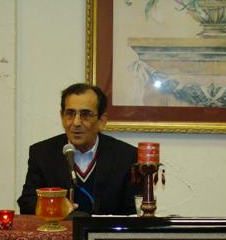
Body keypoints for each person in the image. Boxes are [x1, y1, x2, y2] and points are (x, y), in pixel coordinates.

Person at [17, 83, 138, 215]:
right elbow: (26, 203)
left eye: (85, 114)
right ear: (62, 116)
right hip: (59, 228)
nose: (76, 123)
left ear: (102, 120)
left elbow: (134, 211)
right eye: (70, 114)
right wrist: (55, 206)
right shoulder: (42, 154)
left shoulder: (126, 156)